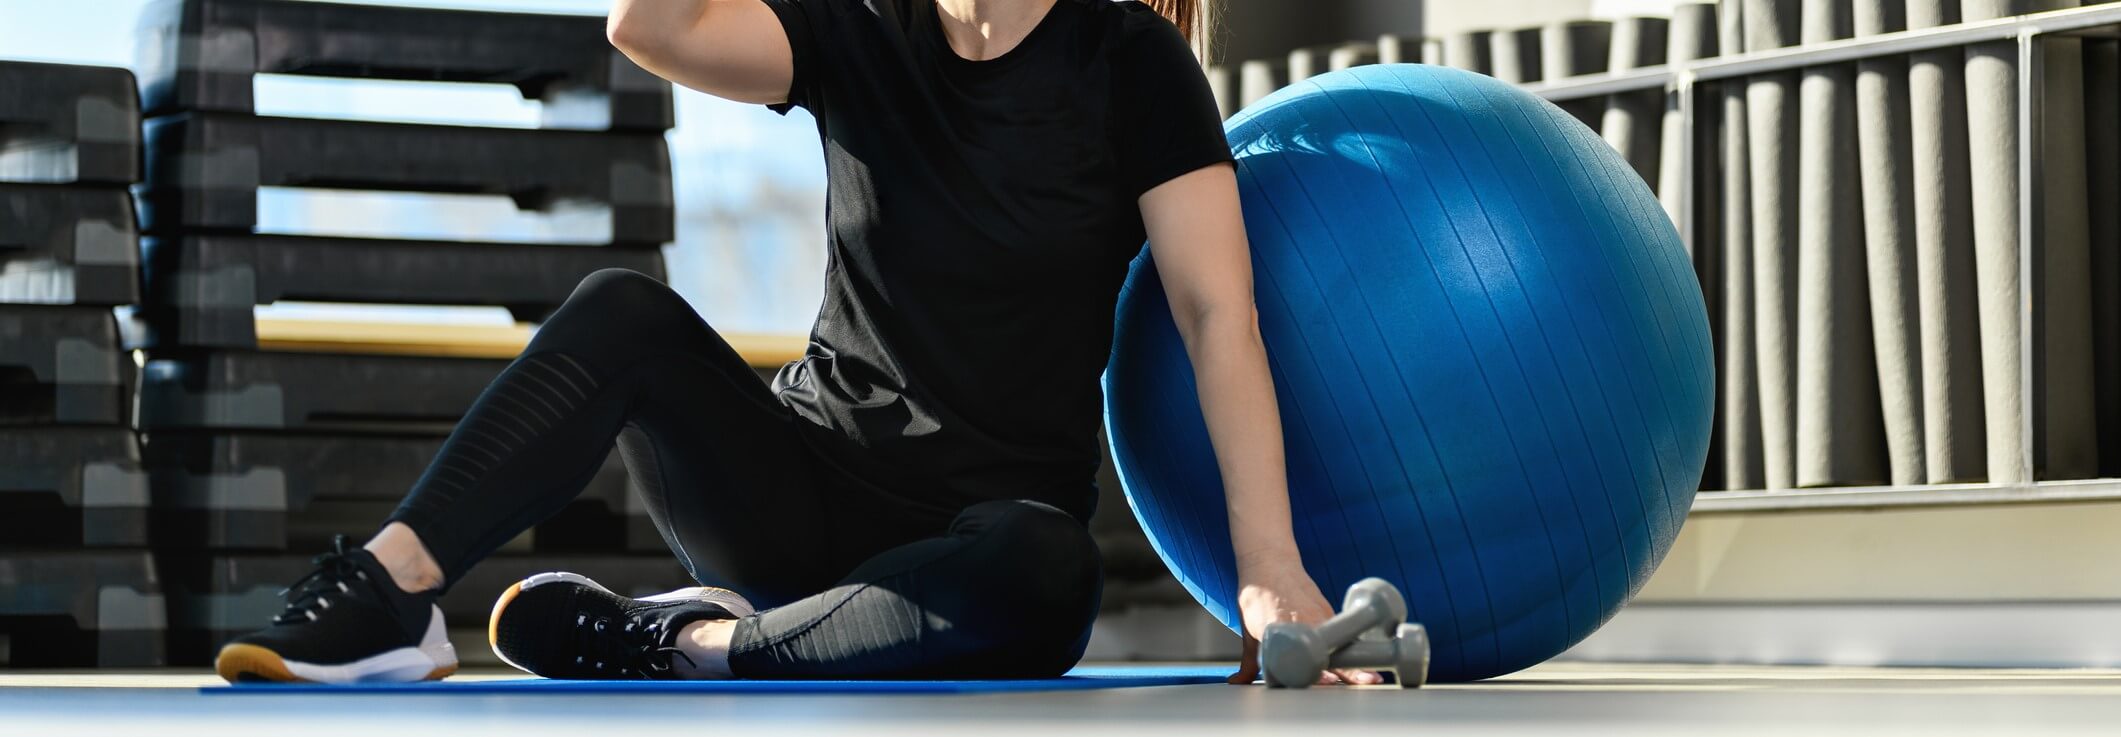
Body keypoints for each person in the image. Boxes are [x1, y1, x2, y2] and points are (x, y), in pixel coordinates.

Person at [214, 0, 1373, 685]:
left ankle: (690, 644)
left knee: (1047, 571)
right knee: (624, 306)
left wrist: (1265, 573)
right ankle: (391, 594)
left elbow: (1215, 311)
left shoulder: (1131, 65)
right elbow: (646, 24)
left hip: (976, 545)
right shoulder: (856, 26)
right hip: (794, 496)